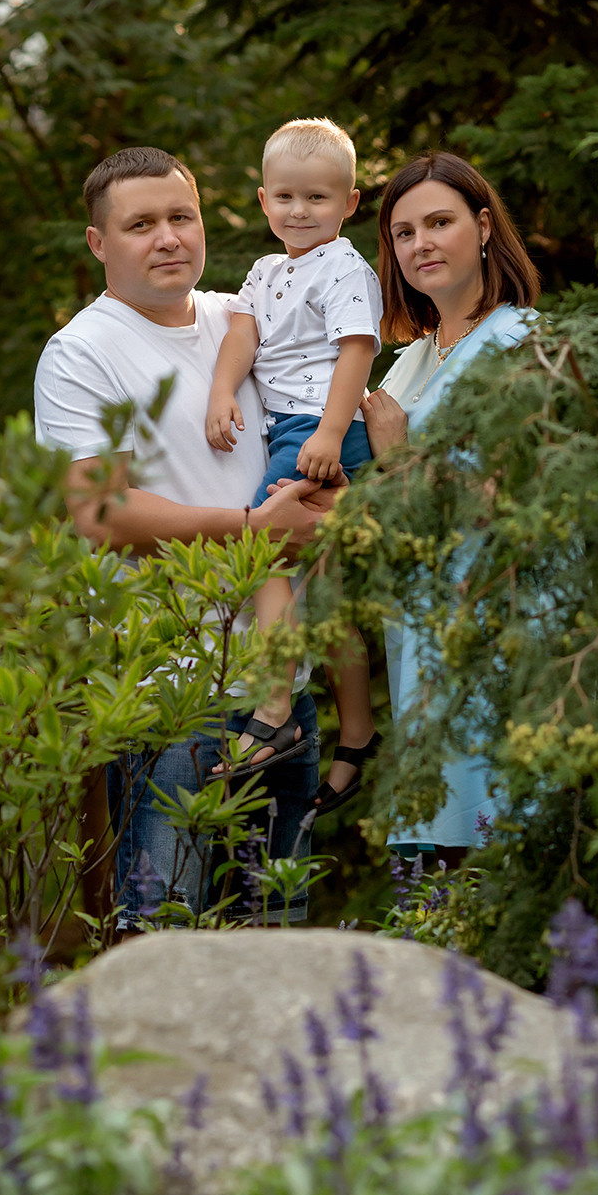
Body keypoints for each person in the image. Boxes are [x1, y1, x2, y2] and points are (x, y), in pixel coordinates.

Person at [33, 145, 335, 927]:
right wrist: (253, 530)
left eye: (180, 217)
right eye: (140, 224)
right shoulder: (81, 354)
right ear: (100, 243)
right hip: (172, 702)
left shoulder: (248, 317)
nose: (167, 237)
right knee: (165, 934)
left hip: (280, 690)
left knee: (282, 935)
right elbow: (100, 512)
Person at [361, 150, 542, 864]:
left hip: (495, 647)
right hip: (423, 652)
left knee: (490, 866)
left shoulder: (520, 342)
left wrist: (400, 455)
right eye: (403, 233)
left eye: (439, 222)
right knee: (436, 881)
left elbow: (514, 505)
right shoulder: (410, 359)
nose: (420, 245)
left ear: (485, 226)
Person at [205, 117, 382, 811]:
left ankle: (274, 708)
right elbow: (244, 333)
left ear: (349, 204)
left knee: (266, 549)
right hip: (292, 426)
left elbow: (357, 351)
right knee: (326, 593)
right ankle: (358, 733)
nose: (299, 211)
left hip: (319, 428)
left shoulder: (343, 266)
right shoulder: (264, 270)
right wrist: (223, 390)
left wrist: (332, 436)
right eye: (285, 198)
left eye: (317, 198)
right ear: (262, 201)